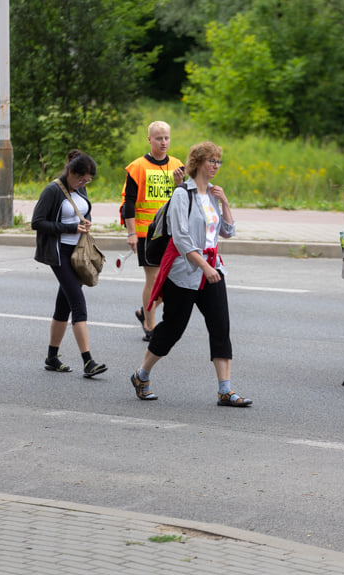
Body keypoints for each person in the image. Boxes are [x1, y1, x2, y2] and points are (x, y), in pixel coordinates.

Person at [128, 141, 251, 407]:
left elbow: (227, 232)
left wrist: (226, 202)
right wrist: (203, 266)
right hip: (184, 272)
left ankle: (225, 390)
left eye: (219, 161)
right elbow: (182, 239)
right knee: (173, 329)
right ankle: (142, 375)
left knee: (220, 327)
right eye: (211, 161)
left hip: (212, 270)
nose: (216, 166)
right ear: (197, 163)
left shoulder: (213, 196)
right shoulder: (183, 194)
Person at [31, 150, 107, 378]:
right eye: (81, 179)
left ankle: (52, 357)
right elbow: (37, 222)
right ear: (71, 172)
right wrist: (69, 228)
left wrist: (86, 222)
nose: (84, 184)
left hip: (78, 253)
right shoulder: (53, 190)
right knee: (77, 303)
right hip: (60, 254)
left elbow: (84, 210)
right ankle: (88, 361)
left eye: (88, 181)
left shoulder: (79, 188)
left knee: (63, 306)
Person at [119, 121, 185, 341]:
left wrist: (179, 184)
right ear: (149, 140)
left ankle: (144, 311)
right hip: (147, 233)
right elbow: (128, 202)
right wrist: (130, 233)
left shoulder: (177, 165)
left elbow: (183, 198)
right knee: (154, 278)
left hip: (172, 232)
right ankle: (149, 325)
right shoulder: (138, 167)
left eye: (166, 137)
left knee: (173, 279)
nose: (163, 142)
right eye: (158, 138)